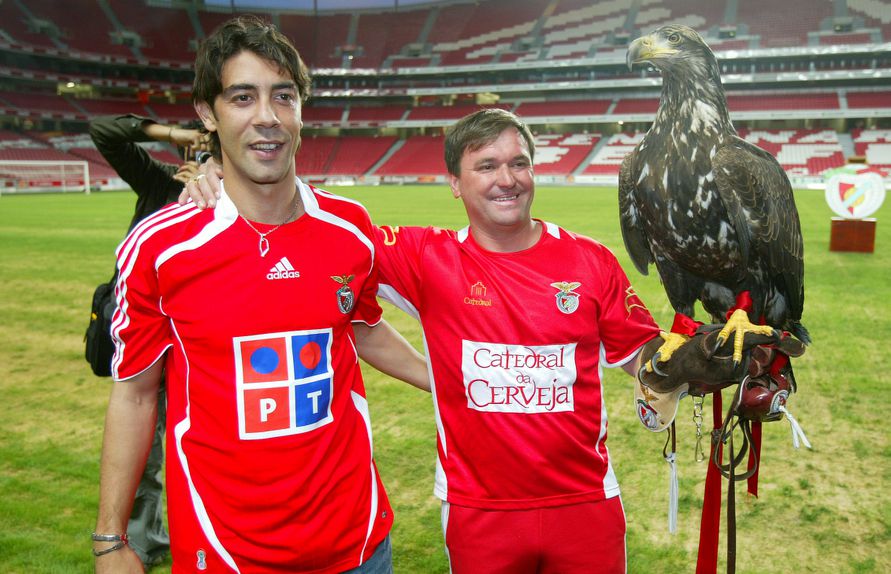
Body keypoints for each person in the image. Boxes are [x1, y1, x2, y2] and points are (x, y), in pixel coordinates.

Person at [185, 109, 793, 573]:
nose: (508, 180)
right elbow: (315, 216)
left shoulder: (591, 261)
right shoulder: (424, 257)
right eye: (486, 166)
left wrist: (692, 362)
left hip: (583, 503)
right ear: (454, 182)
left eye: (518, 163)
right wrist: (224, 174)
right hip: (478, 512)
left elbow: (641, 355)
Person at [93, 15, 426, 573]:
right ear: (207, 112)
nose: (267, 118)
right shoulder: (160, 248)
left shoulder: (349, 228)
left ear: (301, 109)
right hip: (226, 554)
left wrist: (447, 382)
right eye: (243, 97)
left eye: (284, 97)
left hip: (360, 545)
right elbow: (135, 396)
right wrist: (110, 539)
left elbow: (358, 323)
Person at [88, 113, 209, 568]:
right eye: (194, 151)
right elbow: (105, 131)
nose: (198, 160)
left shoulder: (234, 196)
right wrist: (168, 133)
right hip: (150, 340)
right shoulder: (158, 184)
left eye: (208, 153)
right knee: (144, 445)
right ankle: (140, 538)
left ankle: (182, 533)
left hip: (200, 344)